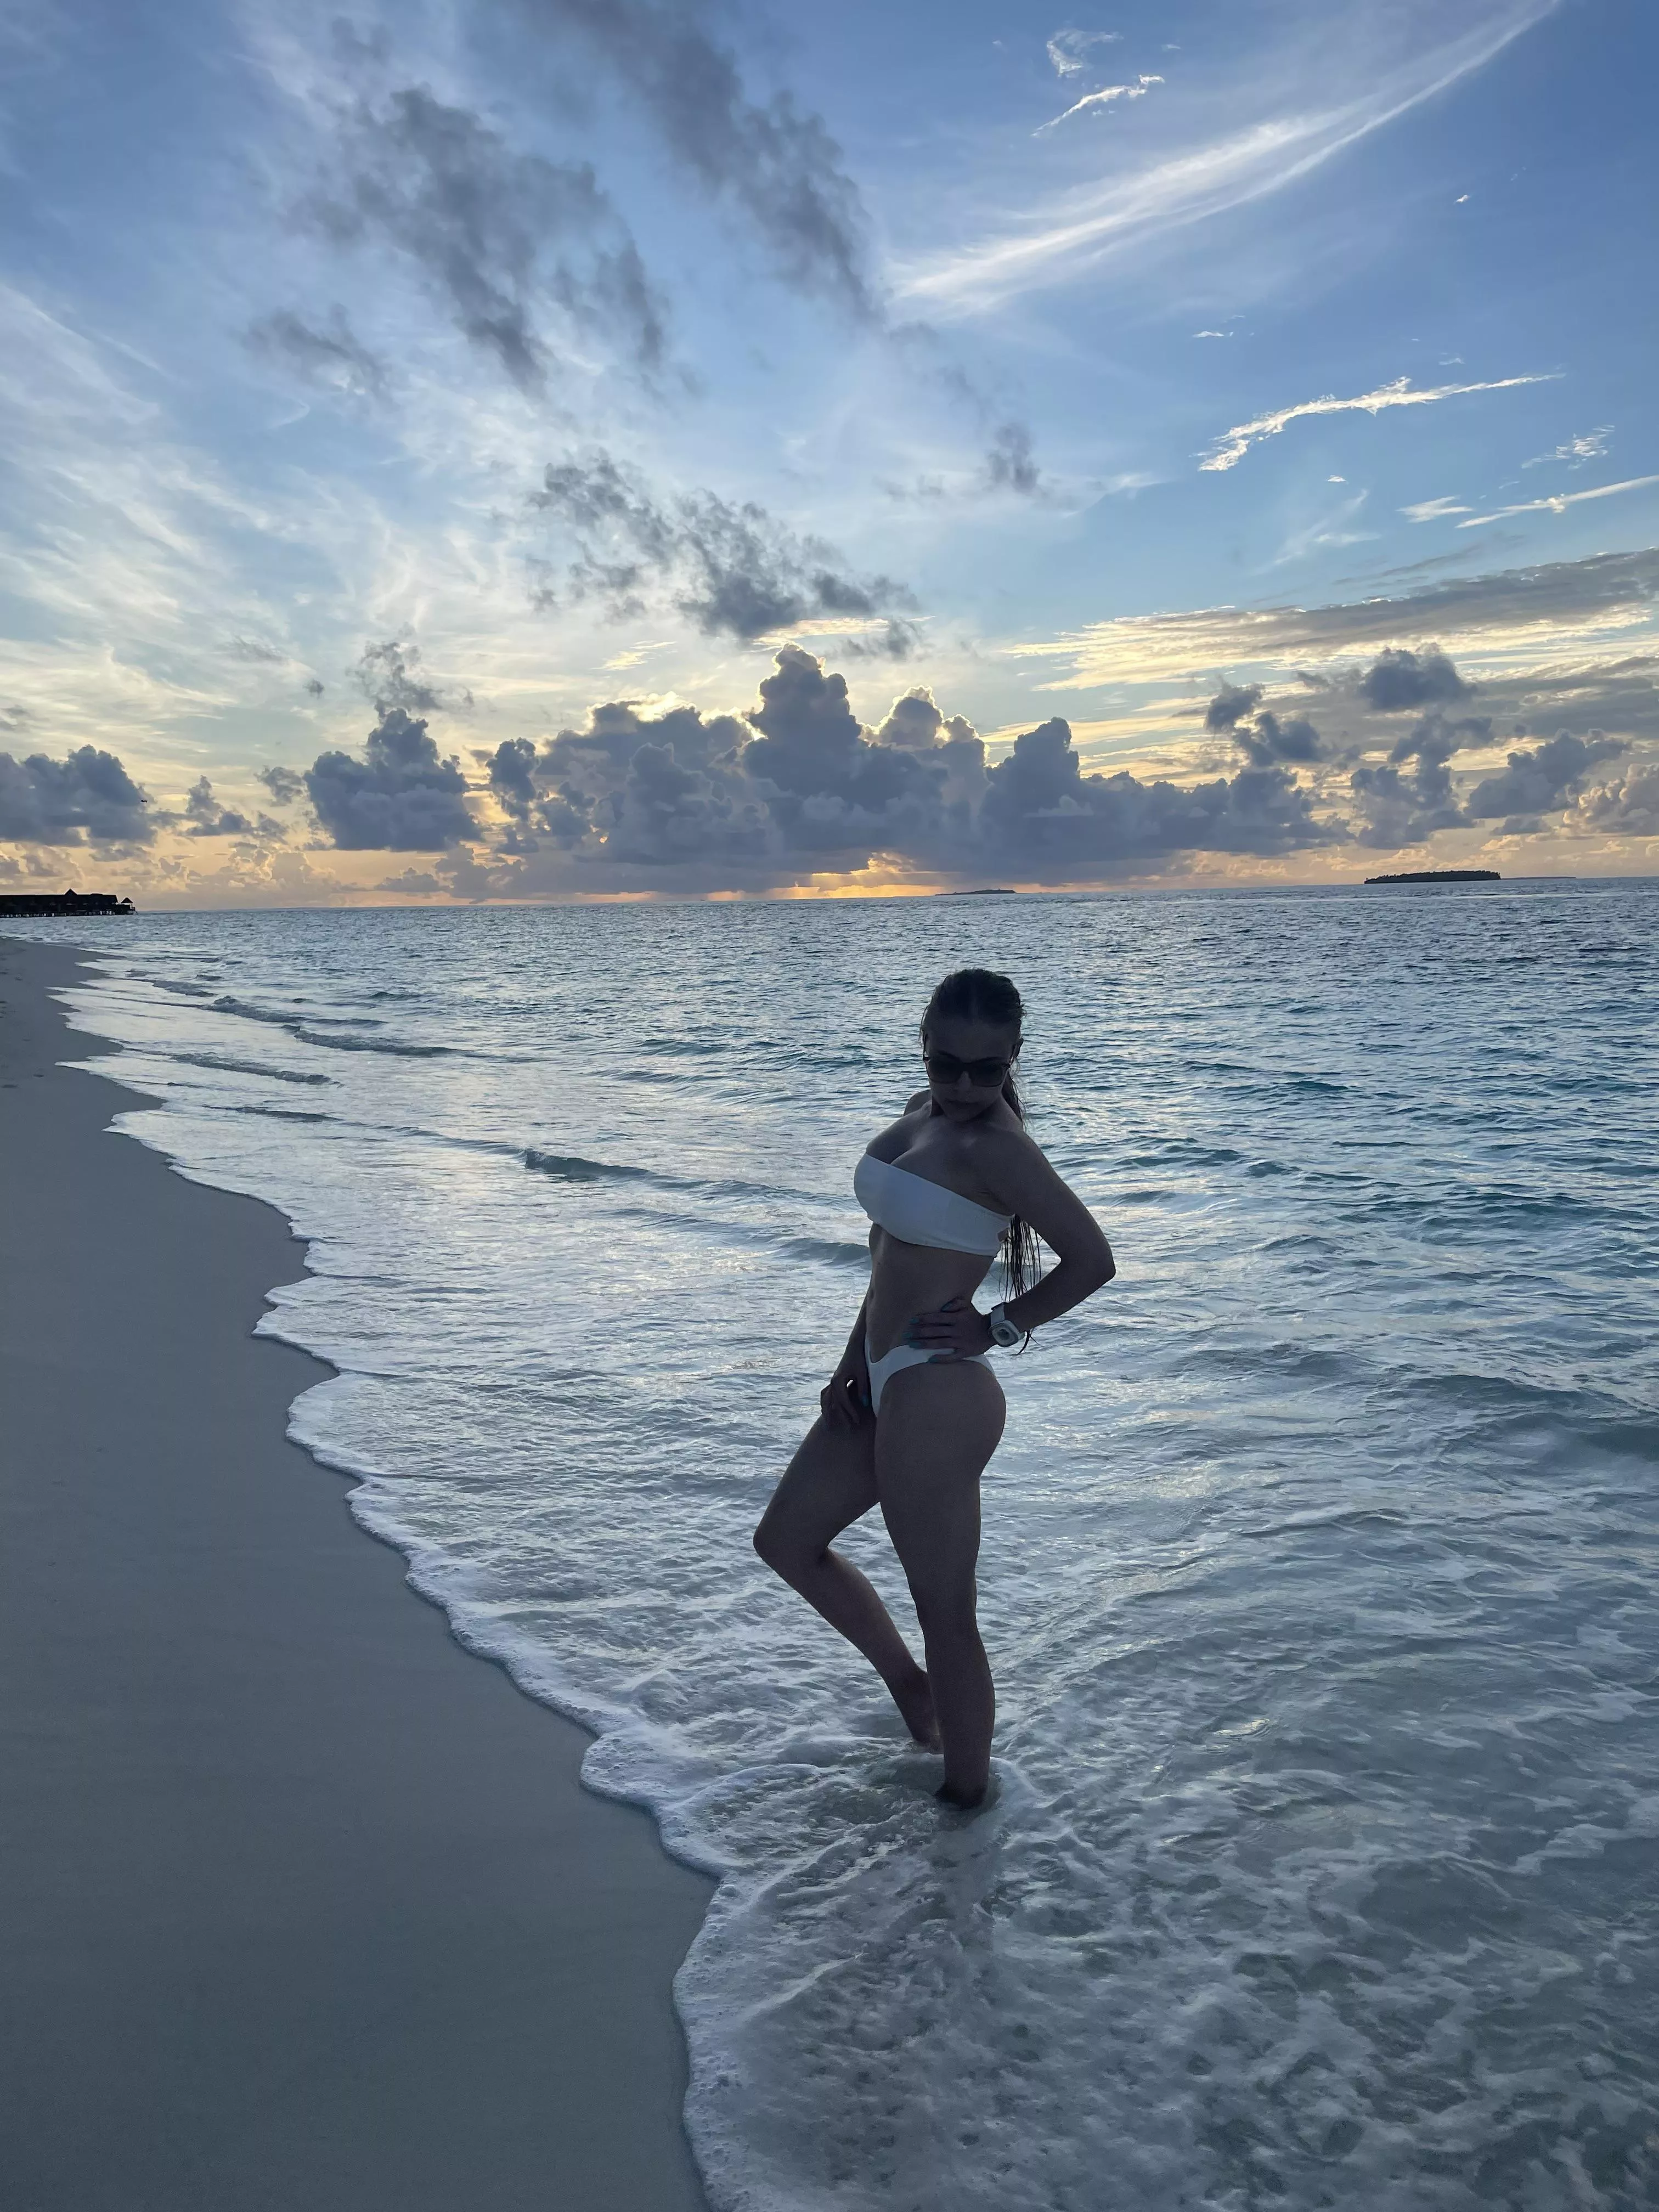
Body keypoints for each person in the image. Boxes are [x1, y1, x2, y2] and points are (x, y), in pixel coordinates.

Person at [754, 968, 1115, 1807]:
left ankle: (966, 1812)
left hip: (938, 1392)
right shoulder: (922, 1118)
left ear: (1014, 1059)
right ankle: (913, 1694)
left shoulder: (1000, 1149)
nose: (962, 1085)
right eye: (945, 1064)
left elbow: (1093, 1261)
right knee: (785, 1542)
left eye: (985, 1071)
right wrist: (851, 1359)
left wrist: (1000, 1324)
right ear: (923, 1046)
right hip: (879, 1376)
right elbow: (888, 1253)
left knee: (945, 1611)